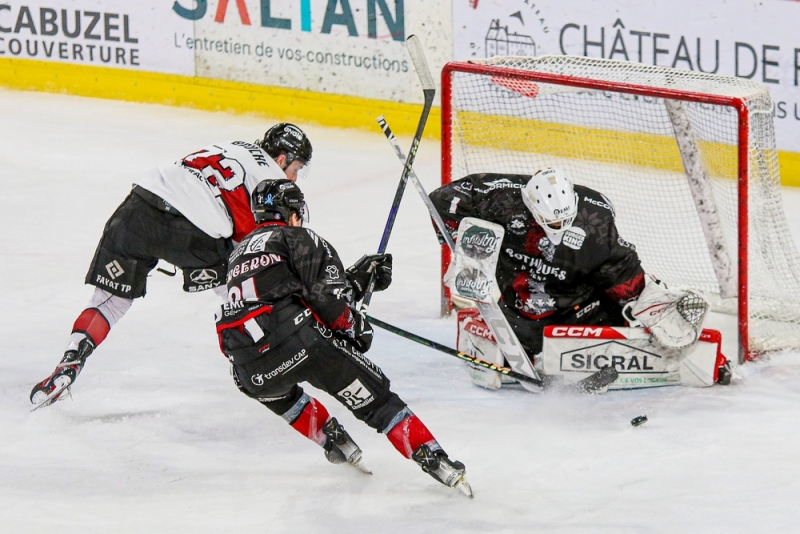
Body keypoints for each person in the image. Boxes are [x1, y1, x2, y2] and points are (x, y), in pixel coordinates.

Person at [215, 179, 471, 496]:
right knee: (380, 405)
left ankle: (334, 441)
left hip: (249, 367)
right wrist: (356, 329)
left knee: (280, 396)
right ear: (292, 212)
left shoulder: (239, 254)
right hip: (304, 344)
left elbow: (292, 292)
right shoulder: (297, 236)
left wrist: (359, 281)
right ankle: (436, 461)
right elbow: (328, 301)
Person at [30, 123, 313, 408]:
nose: (296, 177)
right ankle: (273, 366)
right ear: (281, 159)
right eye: (296, 168)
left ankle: (70, 361)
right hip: (194, 232)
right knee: (242, 292)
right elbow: (265, 245)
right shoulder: (272, 181)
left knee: (110, 301)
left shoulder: (233, 146)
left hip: (138, 208)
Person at [429, 167, 646, 375]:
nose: (558, 226)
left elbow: (617, 265)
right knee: (508, 352)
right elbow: (443, 198)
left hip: (579, 308)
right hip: (522, 310)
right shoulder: (503, 199)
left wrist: (640, 303)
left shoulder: (595, 217)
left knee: (623, 319)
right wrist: (465, 246)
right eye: (552, 222)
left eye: (564, 220)